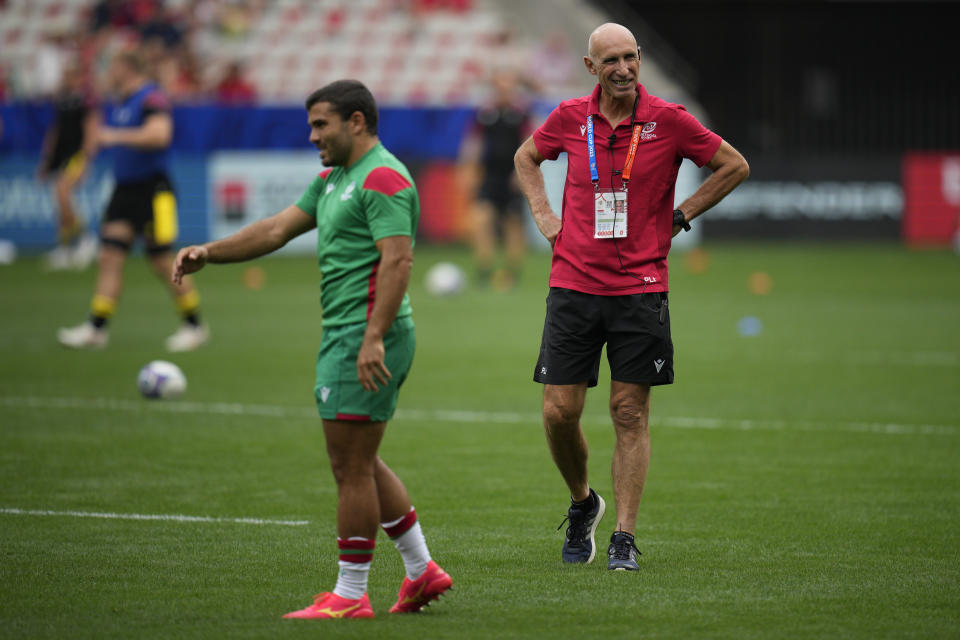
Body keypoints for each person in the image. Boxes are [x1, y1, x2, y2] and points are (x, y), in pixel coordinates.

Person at [171, 79, 452, 619]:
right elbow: (276, 229)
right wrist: (212, 251)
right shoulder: (334, 179)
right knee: (361, 460)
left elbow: (398, 261)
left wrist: (372, 337)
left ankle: (350, 594)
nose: (313, 136)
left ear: (356, 121)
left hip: (364, 335)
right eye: (310, 126)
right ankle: (421, 572)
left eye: (321, 124)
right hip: (350, 333)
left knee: (348, 466)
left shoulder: (384, 177)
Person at [514, 23, 749, 571]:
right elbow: (528, 157)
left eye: (630, 57)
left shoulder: (669, 120)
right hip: (572, 282)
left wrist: (682, 216)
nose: (623, 68)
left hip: (640, 288)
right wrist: (544, 215)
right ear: (590, 67)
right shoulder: (570, 117)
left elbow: (733, 165)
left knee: (629, 412)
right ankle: (583, 503)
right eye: (610, 60)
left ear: (640, 59)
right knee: (558, 412)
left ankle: (623, 536)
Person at [57, 50, 208, 351]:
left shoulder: (152, 97)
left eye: (111, 65)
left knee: (163, 261)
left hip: (154, 191)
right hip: (124, 190)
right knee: (109, 256)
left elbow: (160, 135)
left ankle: (194, 325)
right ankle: (96, 328)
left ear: (126, 67)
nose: (108, 73)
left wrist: (115, 136)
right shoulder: (120, 101)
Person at [459, 69, 532, 289]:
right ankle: (484, 269)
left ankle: (512, 272)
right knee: (482, 219)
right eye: (500, 89)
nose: (504, 92)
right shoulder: (485, 114)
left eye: (507, 89)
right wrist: (468, 169)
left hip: (513, 176)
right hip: (490, 176)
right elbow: (473, 142)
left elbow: (531, 142)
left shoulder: (521, 114)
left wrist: (522, 173)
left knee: (513, 223)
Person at [37, 63, 99, 270]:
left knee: (62, 192)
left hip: (76, 155)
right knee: (60, 200)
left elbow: (91, 129)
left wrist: (87, 158)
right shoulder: (61, 100)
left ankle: (86, 239)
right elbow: (55, 130)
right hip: (60, 155)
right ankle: (64, 248)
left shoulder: (86, 100)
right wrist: (47, 159)